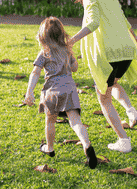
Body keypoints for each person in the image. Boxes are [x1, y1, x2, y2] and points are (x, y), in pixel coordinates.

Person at [68, 0, 137, 154]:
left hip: (109, 54)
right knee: (113, 83)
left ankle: (123, 141)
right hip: (126, 51)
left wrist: (71, 40)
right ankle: (131, 111)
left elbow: (92, 23)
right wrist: (134, 37)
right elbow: (125, 21)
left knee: (104, 98)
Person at [24, 17, 97, 169]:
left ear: (43, 36)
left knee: (50, 121)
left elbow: (35, 72)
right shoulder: (66, 50)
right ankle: (86, 144)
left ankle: (49, 148)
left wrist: (29, 91)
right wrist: (72, 56)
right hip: (69, 90)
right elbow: (75, 68)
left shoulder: (44, 52)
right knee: (75, 121)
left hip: (52, 91)